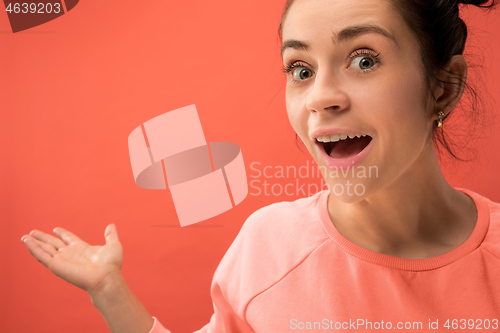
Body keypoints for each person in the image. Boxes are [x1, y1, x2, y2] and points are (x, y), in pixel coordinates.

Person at [21, 0, 500, 332]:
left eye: (364, 60)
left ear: (443, 87)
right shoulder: (269, 246)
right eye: (301, 69)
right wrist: (109, 290)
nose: (320, 98)